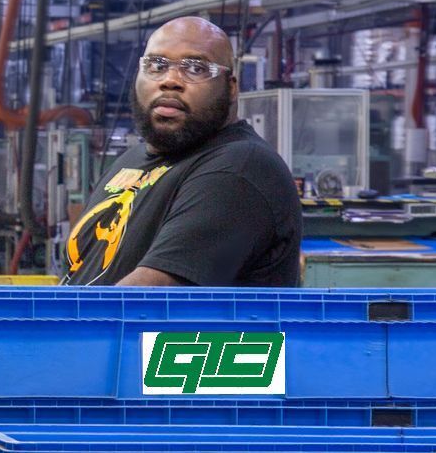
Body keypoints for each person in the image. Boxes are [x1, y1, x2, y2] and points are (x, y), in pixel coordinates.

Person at [64, 15, 301, 287]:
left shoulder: (240, 169)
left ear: (231, 87)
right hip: (98, 326)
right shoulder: (130, 161)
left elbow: (149, 297)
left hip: (167, 332)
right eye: (156, 65)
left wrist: (63, 329)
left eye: (196, 68)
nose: (170, 80)